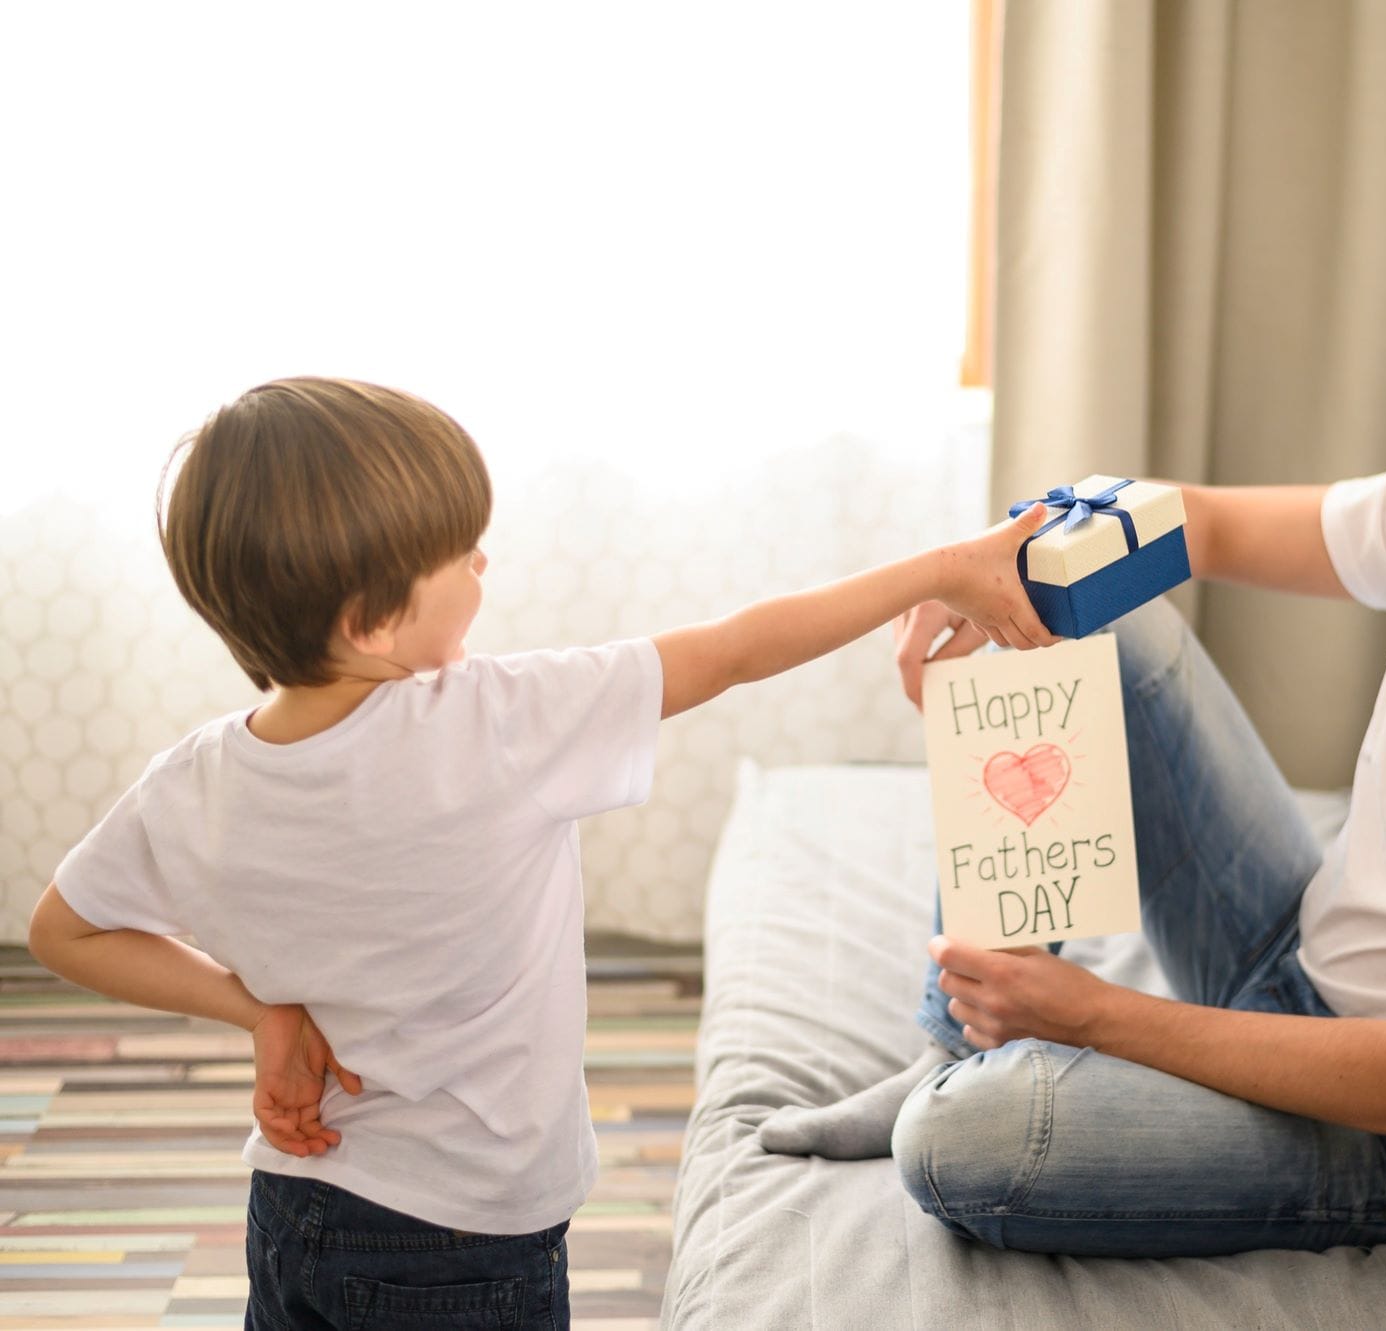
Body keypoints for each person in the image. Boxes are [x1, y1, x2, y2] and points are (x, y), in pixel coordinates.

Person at [758, 204, 1386, 1256]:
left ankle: (964, 1083)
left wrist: (1086, 1012)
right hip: (1289, 945)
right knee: (1088, 610)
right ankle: (951, 1041)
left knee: (957, 1142)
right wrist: (995, 566)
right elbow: (1190, 522)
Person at [26, 377, 1054, 1326]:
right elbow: (741, 645)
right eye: (461, 552)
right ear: (373, 618)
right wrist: (939, 568)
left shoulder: (194, 778)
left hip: (294, 1210)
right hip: (470, 1236)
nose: (483, 563)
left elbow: (64, 930)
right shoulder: (495, 721)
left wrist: (257, 1008)